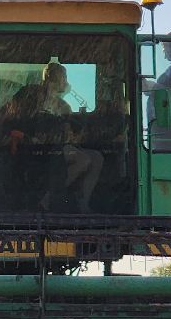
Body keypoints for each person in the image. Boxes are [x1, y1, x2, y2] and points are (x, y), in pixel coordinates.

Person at [10, 61, 104, 211]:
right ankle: (47, 199)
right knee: (83, 160)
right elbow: (15, 118)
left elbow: (68, 135)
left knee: (97, 157)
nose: (66, 82)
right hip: (36, 146)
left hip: (57, 146)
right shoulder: (30, 95)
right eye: (64, 77)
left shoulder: (63, 105)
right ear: (52, 77)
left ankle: (83, 202)